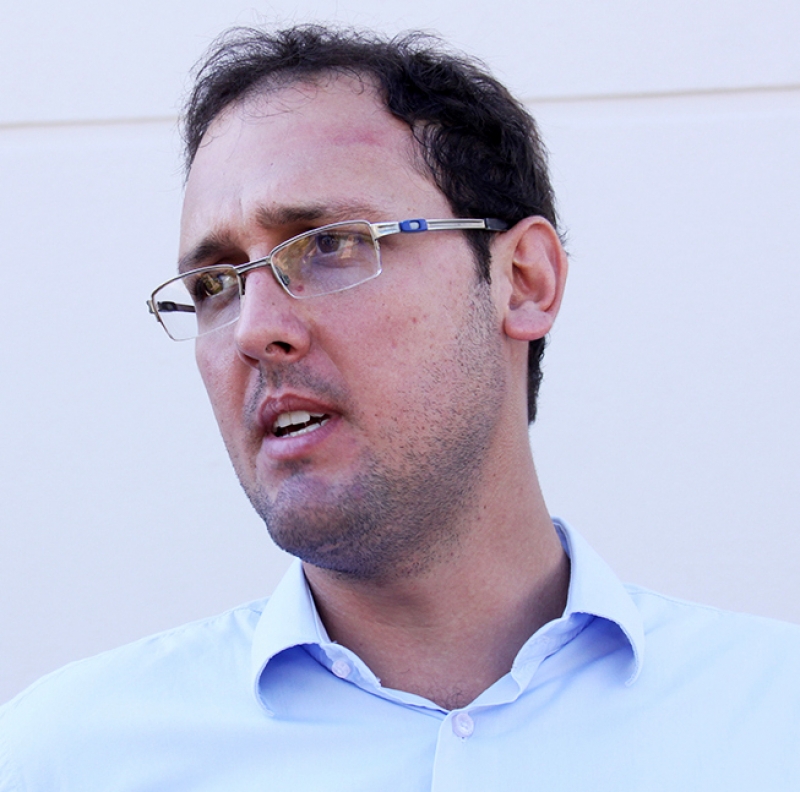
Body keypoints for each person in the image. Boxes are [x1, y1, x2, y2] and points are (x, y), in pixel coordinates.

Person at [1, 24, 799, 791]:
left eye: (329, 244)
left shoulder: (772, 722)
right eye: (215, 284)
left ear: (523, 280)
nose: (253, 329)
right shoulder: (68, 761)